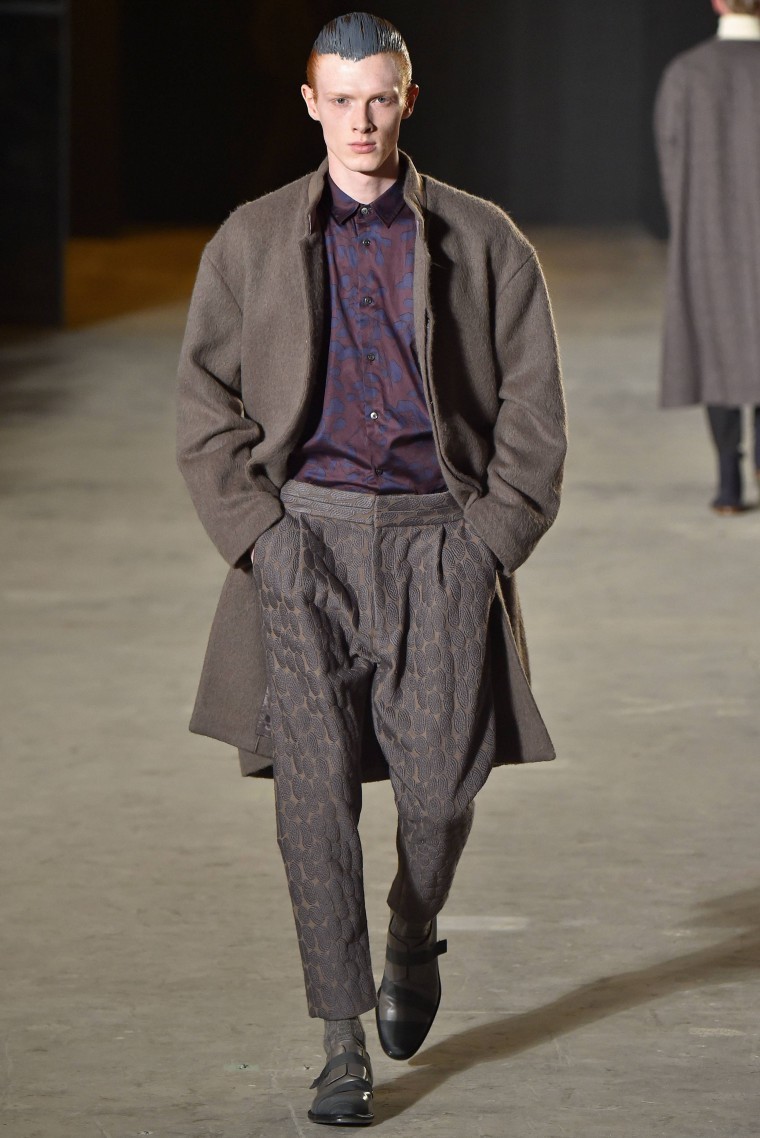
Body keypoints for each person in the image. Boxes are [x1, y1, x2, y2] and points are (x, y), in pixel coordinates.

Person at [177, 12, 566, 1126]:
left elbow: (534, 409)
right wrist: (262, 538)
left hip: (440, 539)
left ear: (408, 98)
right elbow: (204, 404)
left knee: (440, 792)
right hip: (304, 542)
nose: (361, 120)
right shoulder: (252, 240)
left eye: (379, 97)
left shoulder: (483, 240)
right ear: (311, 104)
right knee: (315, 801)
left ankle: (410, 927)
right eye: (340, 100)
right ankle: (339, 1038)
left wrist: (488, 542)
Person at [655, 0, 760, 514]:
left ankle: (728, 483)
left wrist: (690, 223)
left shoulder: (687, 73)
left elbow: (671, 157)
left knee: (719, 349)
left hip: (710, 231)